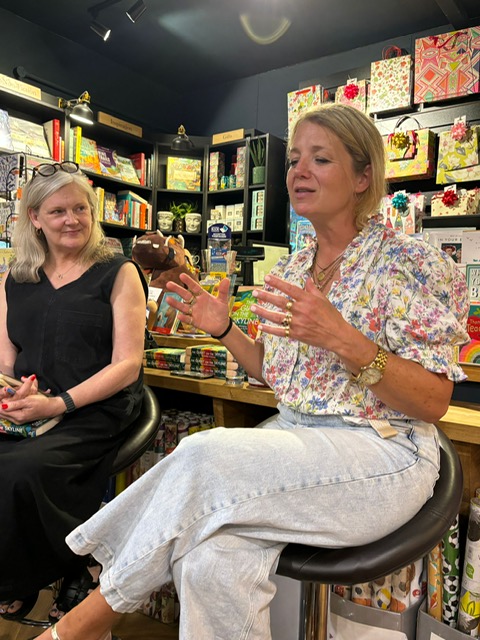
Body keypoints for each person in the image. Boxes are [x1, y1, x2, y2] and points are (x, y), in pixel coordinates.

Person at [35, 104, 469, 640]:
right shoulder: (290, 267)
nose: (299, 172)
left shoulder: (411, 263)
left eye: (321, 159)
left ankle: (81, 623)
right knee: (208, 560)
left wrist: (343, 338)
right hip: (295, 442)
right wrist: (224, 330)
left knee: (201, 453)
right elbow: (278, 375)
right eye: (293, 161)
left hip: (383, 452)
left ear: (363, 177)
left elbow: (433, 401)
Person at [0, 162, 147, 624]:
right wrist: (10, 395)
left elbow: (128, 364)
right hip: (29, 406)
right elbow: (6, 359)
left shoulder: (117, 272)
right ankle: (39, 567)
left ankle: (44, 571)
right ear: (35, 219)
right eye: (58, 210)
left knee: (21, 470)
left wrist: (58, 404)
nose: (72, 219)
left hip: (95, 409)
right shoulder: (15, 277)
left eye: (80, 208)